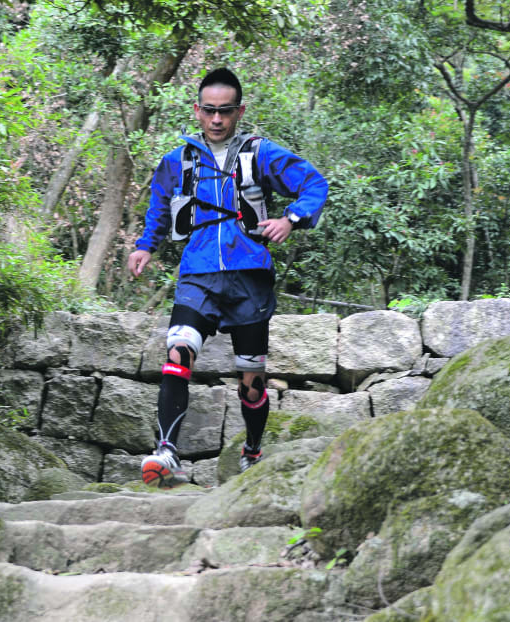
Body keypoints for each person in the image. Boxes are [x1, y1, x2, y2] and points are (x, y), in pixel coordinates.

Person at [128, 67, 328, 488]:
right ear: (196, 110)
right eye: (209, 110)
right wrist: (145, 245)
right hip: (198, 273)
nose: (216, 119)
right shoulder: (177, 160)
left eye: (225, 111)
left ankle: (252, 450)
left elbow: (314, 184)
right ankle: (167, 452)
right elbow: (159, 207)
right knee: (178, 352)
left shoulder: (261, 154)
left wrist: (291, 219)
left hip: (249, 276)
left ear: (240, 111)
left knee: (251, 381)